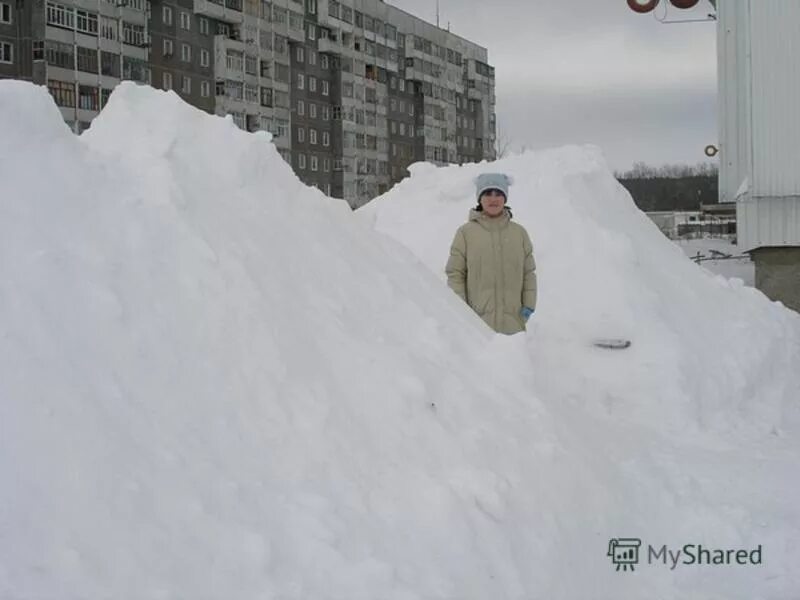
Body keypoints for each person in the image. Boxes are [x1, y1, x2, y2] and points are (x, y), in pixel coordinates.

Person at [445, 173, 537, 335]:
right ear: (479, 198)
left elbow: (528, 273)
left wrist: (528, 306)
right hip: (476, 327)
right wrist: (461, 311)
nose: (493, 199)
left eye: (498, 193)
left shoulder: (519, 233)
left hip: (513, 325)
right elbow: (455, 274)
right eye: (488, 193)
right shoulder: (466, 233)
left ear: (505, 198)